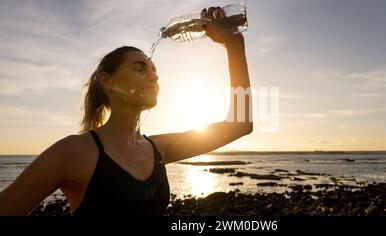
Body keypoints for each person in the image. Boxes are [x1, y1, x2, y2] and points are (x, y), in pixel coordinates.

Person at [0, 6, 252, 216]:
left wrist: (234, 46)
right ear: (108, 81)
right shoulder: (74, 152)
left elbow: (240, 124)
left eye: (154, 70)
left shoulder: (157, 150)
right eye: (140, 68)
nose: (153, 77)